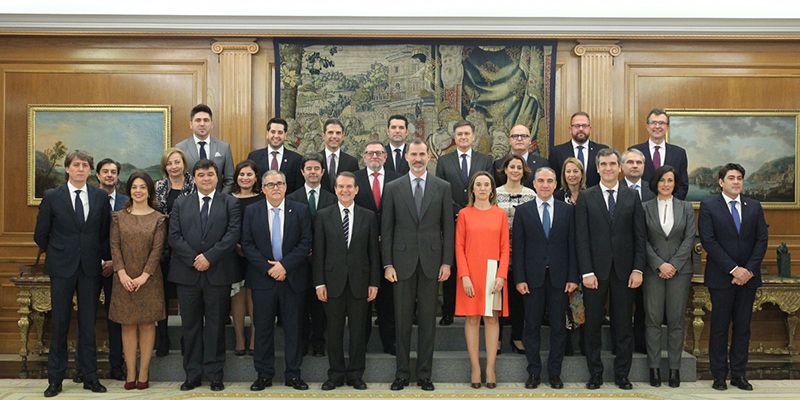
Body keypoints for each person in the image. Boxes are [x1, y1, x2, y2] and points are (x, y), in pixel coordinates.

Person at [34, 150, 111, 397]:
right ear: (67, 169)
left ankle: (89, 377)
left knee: (88, 324)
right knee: (60, 323)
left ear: (90, 171)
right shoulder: (52, 196)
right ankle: (55, 379)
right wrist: (59, 252)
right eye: (76, 165)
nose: (80, 169)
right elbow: (41, 234)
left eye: (85, 165)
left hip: (90, 269)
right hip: (62, 268)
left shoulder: (99, 197)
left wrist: (96, 254)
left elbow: (104, 233)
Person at [382, 138, 454, 391]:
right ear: (406, 157)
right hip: (401, 264)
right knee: (401, 321)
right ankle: (401, 373)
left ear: (429, 157)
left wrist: (447, 262)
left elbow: (448, 228)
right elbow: (386, 229)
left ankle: (424, 374)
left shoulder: (442, 187)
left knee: (427, 321)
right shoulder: (392, 187)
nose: (418, 158)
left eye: (422, 154)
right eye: (413, 154)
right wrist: (387, 264)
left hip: (432, 264)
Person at [575, 148, 646, 391]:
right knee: (593, 324)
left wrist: (638, 269)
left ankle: (622, 375)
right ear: (597, 168)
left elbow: (640, 237)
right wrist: (586, 271)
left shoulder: (631, 196)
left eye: (612, 164)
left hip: (626, 273)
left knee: (623, 324)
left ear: (620, 167)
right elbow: (581, 238)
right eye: (603, 164)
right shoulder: (587, 196)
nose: (608, 168)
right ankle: (595, 374)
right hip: (594, 272)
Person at [168, 159, 241, 392]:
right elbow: (174, 236)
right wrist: (194, 259)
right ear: (195, 178)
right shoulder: (181, 203)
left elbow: (232, 235)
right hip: (187, 274)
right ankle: (192, 374)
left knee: (216, 326)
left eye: (210, 174)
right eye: (201, 175)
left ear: (217, 177)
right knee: (189, 327)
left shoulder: (230, 202)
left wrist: (209, 257)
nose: (206, 178)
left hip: (217, 273)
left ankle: (215, 374)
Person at [699, 163, 768, 391]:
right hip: (721, 278)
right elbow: (709, 241)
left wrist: (747, 270)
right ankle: (719, 375)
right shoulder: (709, 206)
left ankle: (739, 374)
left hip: (748, 278)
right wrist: (734, 269)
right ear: (721, 182)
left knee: (742, 327)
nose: (736, 181)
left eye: (739, 178)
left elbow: (761, 240)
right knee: (719, 327)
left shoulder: (754, 206)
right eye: (731, 178)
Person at [242, 170, 312, 391]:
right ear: (262, 189)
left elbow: (306, 242)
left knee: (293, 329)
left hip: (292, 279)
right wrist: (268, 268)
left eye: (280, 183)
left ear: (286, 187)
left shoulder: (299, 210)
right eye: (270, 184)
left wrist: (284, 266)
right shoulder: (252, 211)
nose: (275, 188)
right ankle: (264, 374)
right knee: (262, 329)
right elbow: (247, 244)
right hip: (263, 280)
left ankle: (293, 374)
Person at [313, 172, 380, 391]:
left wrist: (374, 282)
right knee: (333, 331)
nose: (345, 190)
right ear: (335, 189)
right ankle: (335, 374)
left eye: (349, 186)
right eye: (341, 186)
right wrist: (319, 283)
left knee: (359, 331)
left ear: (356, 189)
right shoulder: (323, 215)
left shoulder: (368, 216)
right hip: (332, 283)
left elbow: (374, 254)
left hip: (360, 283)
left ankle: (355, 375)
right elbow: (319, 253)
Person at [513, 167, 578, 390]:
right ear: (534, 184)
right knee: (531, 326)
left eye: (550, 181)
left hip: (560, 279)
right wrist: (519, 278)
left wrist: (573, 277)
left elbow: (573, 246)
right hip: (532, 279)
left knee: (559, 327)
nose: (545, 185)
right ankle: (533, 372)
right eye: (541, 180)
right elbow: (518, 248)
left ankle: (555, 373)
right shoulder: (523, 211)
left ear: (555, 185)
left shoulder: (567, 211)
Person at [108, 171, 167, 390]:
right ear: (129, 190)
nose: (138, 191)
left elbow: (157, 250)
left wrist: (144, 276)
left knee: (147, 324)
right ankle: (130, 373)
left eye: (143, 187)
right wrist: (121, 273)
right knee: (128, 325)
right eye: (134, 187)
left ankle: (143, 374)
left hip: (149, 279)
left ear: (149, 190)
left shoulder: (159, 218)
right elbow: (114, 246)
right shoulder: (118, 216)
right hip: (123, 278)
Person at [435, 120, 493, 326]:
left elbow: (488, 187)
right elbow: (441, 191)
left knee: (478, 264)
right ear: (454, 137)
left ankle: (481, 309)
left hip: (479, 220)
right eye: (459, 134)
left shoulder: (485, 160)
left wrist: (472, 211)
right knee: (451, 263)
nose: (463, 137)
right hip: (452, 220)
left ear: (473, 137)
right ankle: (448, 311)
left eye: (467, 134)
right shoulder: (444, 161)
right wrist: (460, 212)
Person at [642, 166, 695, 388]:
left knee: (675, 321)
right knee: (652, 320)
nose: (666, 184)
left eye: (670, 180)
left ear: (675, 183)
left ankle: (674, 370)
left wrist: (673, 265)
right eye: (662, 180)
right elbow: (641, 240)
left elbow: (689, 238)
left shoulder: (686, 207)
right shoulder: (645, 207)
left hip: (679, 272)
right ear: (655, 183)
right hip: (653, 271)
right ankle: (654, 370)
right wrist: (659, 264)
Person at [455, 171, 509, 389]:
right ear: (473, 189)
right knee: (471, 320)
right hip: (470, 273)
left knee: (492, 319)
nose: (483, 188)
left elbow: (506, 248)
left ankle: (490, 368)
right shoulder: (464, 214)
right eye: (479, 184)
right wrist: (464, 276)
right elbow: (458, 247)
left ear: (492, 189)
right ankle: (476, 366)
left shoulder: (500, 214)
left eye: (487, 184)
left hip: (492, 273)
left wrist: (502, 275)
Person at [287, 152, 336, 357]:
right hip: (299, 263)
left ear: (323, 172)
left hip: (324, 262)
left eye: (317, 168)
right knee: (300, 305)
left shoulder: (332, 198)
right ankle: (302, 342)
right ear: (302, 171)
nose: (313, 172)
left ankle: (319, 342)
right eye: (309, 169)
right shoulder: (292, 198)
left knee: (320, 306)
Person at [354, 141, 400, 355]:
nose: (374, 156)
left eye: (379, 153)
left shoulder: (396, 179)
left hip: (391, 249)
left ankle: (389, 342)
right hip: (362, 249)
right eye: (370, 152)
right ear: (364, 156)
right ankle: (360, 344)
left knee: (388, 301)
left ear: (385, 157)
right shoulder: (355, 179)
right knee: (362, 299)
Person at [153, 148, 195, 356]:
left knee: (186, 296)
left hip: (188, 247)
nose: (174, 166)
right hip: (162, 248)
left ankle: (188, 339)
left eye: (177, 162)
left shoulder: (194, 184)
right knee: (162, 294)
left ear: (184, 164)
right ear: (165, 166)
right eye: (169, 163)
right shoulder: (159, 187)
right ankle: (162, 338)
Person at [88, 158, 127, 381]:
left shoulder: (126, 201)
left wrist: (114, 262)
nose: (110, 175)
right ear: (98, 175)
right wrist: (98, 261)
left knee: (116, 319)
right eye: (105, 171)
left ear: (118, 175)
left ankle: (116, 366)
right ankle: (87, 368)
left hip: (118, 268)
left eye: (114, 171)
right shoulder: (89, 199)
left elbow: (129, 237)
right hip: (90, 267)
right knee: (88, 317)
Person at [495, 155, 536, 355]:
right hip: (497, 254)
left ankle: (518, 337)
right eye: (512, 166)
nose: (515, 170)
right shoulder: (494, 194)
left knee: (519, 297)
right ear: (505, 169)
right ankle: (498, 339)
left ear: (524, 171)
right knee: (498, 298)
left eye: (519, 167)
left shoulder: (532, 195)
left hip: (523, 255)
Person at [620, 148, 653, 355]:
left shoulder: (653, 191)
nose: (634, 166)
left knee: (644, 304)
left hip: (649, 257)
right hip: (620, 257)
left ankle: (641, 345)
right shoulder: (613, 188)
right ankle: (620, 345)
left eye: (638, 163)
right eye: (630, 162)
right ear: (622, 167)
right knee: (621, 307)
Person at [230, 160, 261, 356]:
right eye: (242, 174)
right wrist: (234, 246)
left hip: (256, 254)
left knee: (254, 296)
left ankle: (254, 340)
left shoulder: (262, 199)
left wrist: (250, 249)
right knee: (237, 295)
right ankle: (239, 338)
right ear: (236, 177)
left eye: (249, 174)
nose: (245, 178)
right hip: (232, 254)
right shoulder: (227, 199)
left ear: (256, 177)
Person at [629, 108, 689, 200]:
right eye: (653, 123)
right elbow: (630, 181)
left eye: (661, 123)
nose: (657, 126)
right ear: (647, 126)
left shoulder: (679, 153)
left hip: (669, 208)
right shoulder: (634, 151)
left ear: (667, 127)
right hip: (641, 207)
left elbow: (683, 185)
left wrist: (669, 203)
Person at [175, 104, 234, 193]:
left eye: (206, 120)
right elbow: (176, 179)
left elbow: (230, 179)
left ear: (212, 124)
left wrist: (220, 200)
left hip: (218, 201)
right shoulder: (180, 148)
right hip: (189, 201)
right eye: (198, 120)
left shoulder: (224, 148)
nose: (202, 124)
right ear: (191, 124)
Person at [549, 112, 609, 189]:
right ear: (570, 129)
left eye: (584, 126)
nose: (581, 129)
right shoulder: (557, 152)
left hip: (595, 199)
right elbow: (554, 181)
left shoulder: (602, 151)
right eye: (577, 126)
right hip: (566, 198)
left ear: (590, 129)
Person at [247, 117, 304, 194]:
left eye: (280, 132)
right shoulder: (254, 157)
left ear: (285, 135)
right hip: (260, 203)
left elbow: (298, 189)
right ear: (267, 134)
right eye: (273, 132)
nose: (276, 136)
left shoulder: (296, 159)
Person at [492, 124, 549, 189]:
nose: (519, 139)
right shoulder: (499, 164)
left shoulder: (542, 164)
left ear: (530, 140)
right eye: (515, 136)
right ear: (509, 141)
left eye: (524, 136)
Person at [319, 118, 359, 193]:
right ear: (323, 135)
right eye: (330, 132)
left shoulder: (352, 162)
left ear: (343, 136)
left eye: (338, 133)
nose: (334, 136)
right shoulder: (316, 160)